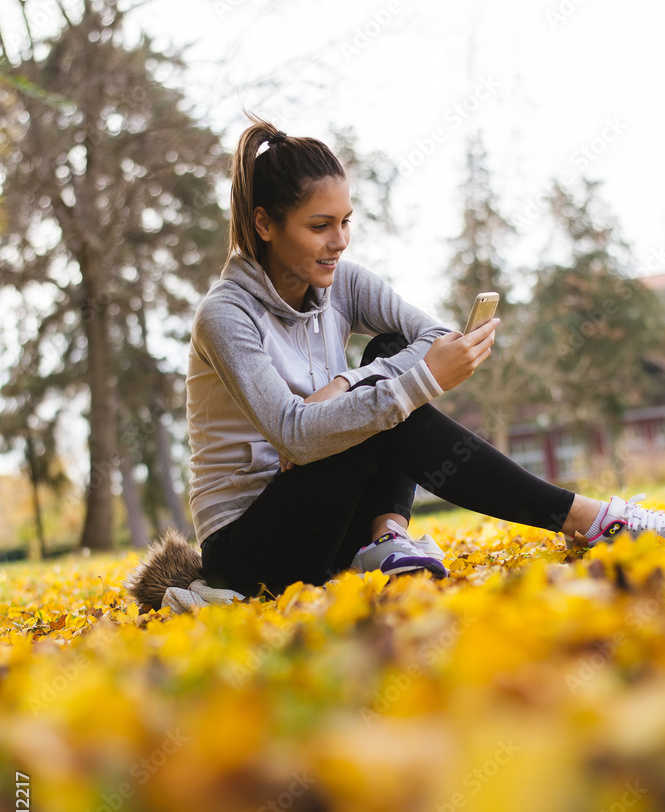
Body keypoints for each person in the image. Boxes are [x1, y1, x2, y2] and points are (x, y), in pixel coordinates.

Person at [185, 111, 665, 601]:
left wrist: (349, 382)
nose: (340, 241)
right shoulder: (225, 315)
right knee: (387, 396)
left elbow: (431, 333)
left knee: (389, 353)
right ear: (264, 223)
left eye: (346, 221)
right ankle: (588, 517)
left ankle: (387, 536)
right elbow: (295, 436)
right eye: (320, 226)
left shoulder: (341, 280)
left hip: (329, 524)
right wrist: (414, 382)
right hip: (250, 549)